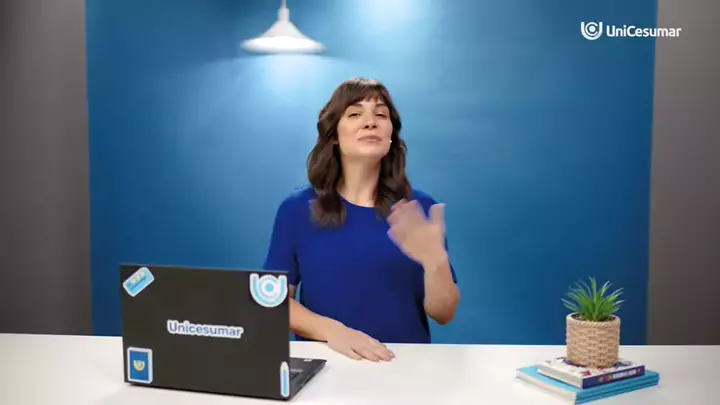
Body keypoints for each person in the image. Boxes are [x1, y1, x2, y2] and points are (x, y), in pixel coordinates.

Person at [263, 78, 460, 362]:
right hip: (326, 364)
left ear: (391, 135)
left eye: (381, 114)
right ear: (334, 135)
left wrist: (436, 263)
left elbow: (444, 314)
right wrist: (332, 331)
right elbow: (275, 301)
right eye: (355, 114)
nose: (370, 122)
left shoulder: (418, 209)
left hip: (403, 367)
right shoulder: (296, 209)